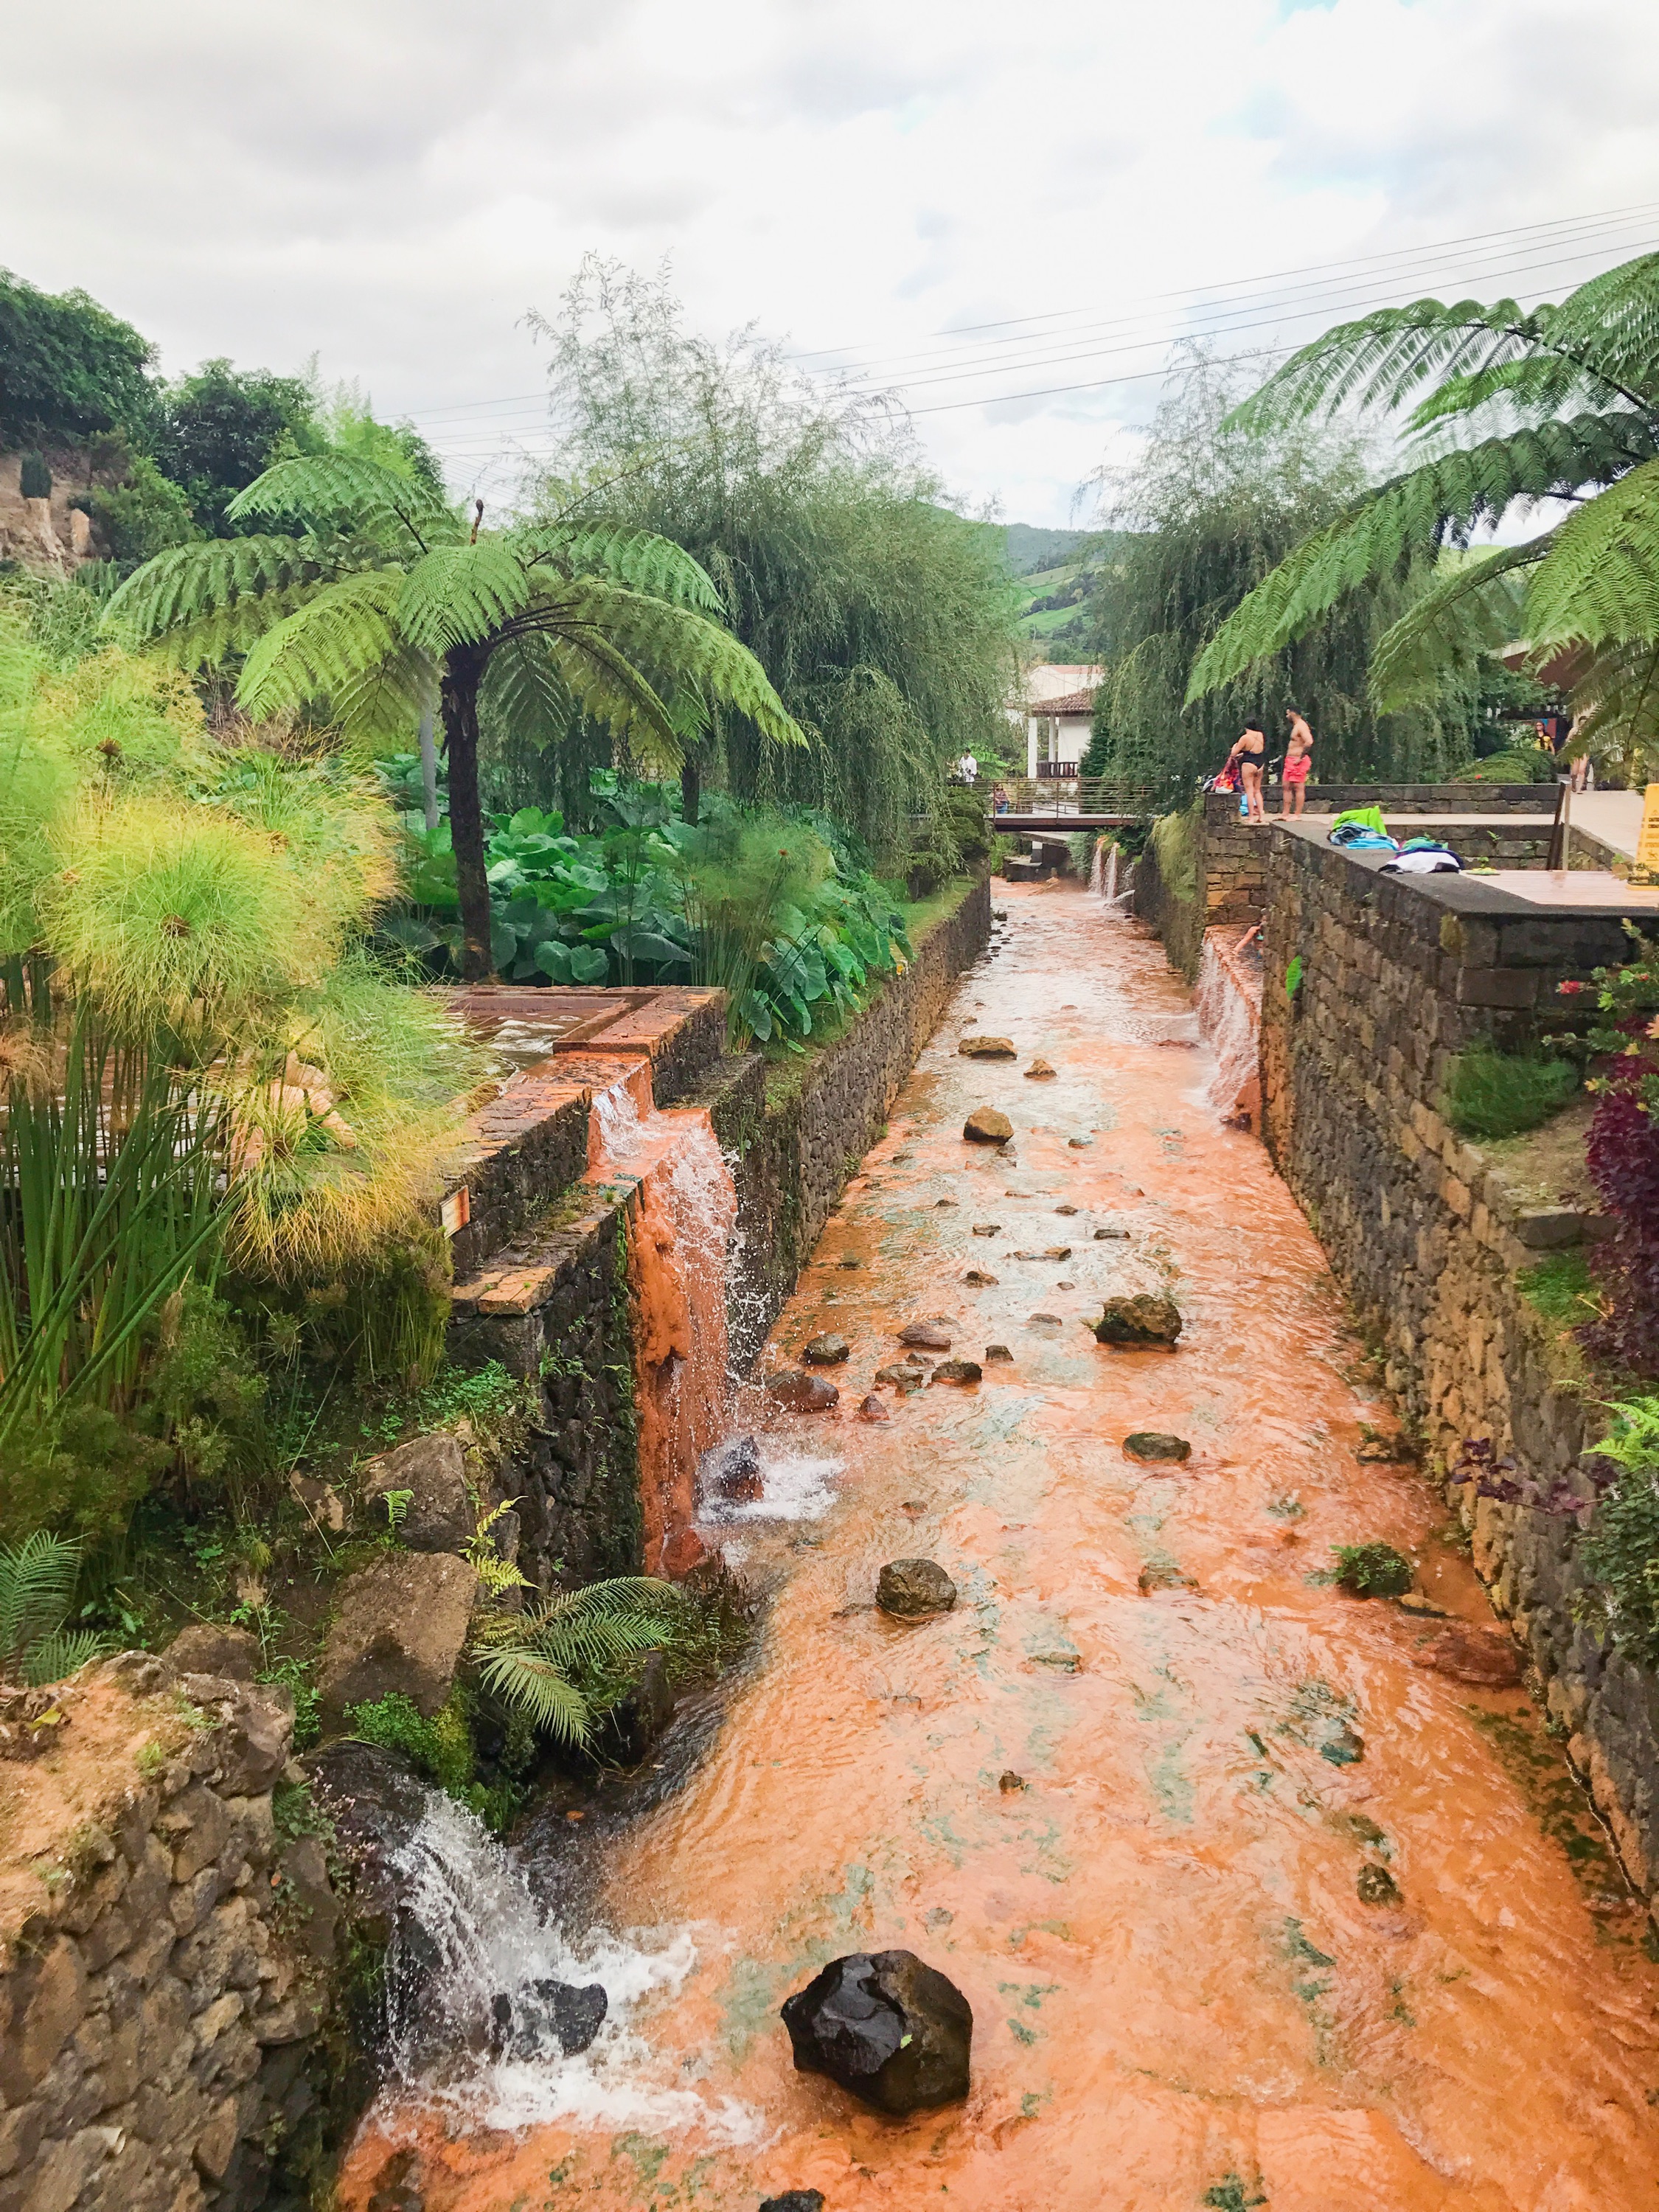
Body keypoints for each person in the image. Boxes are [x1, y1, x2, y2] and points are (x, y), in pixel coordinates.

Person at [1226, 723, 1267, 823]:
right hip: (1260, 764)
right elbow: (1254, 750)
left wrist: (1235, 746)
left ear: (1245, 727)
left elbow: (1233, 753)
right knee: (1257, 791)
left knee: (1249, 791)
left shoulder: (1245, 737)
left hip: (1249, 764)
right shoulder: (1260, 735)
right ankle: (1261, 817)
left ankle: (1251, 817)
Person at [1281, 707, 1313, 817]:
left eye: (1287, 714)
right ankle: (1285, 813)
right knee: (1286, 786)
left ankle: (1297, 814)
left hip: (1297, 761)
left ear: (1292, 713)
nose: (1287, 716)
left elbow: (1309, 741)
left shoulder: (1301, 726)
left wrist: (1301, 757)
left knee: (1298, 788)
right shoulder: (1296, 726)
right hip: (1290, 760)